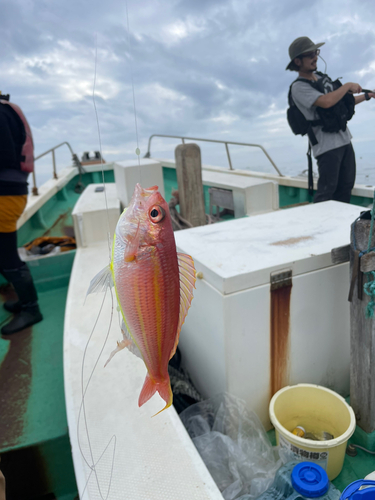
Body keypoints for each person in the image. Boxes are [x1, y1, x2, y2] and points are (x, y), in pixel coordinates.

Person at [286, 36, 375, 203]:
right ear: (297, 61)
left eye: (316, 52)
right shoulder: (299, 87)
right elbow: (326, 102)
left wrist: (367, 95)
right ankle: (320, 227)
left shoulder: (321, 78)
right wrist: (347, 85)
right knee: (327, 193)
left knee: (345, 188)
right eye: (310, 54)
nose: (315, 57)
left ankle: (340, 227)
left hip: (345, 141)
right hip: (327, 148)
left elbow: (341, 103)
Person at [0, 92, 43, 335]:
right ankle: (25, 303)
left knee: (7, 256)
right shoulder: (6, 111)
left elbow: (4, 154)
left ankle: (31, 308)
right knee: (4, 253)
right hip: (9, 191)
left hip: (5, 194)